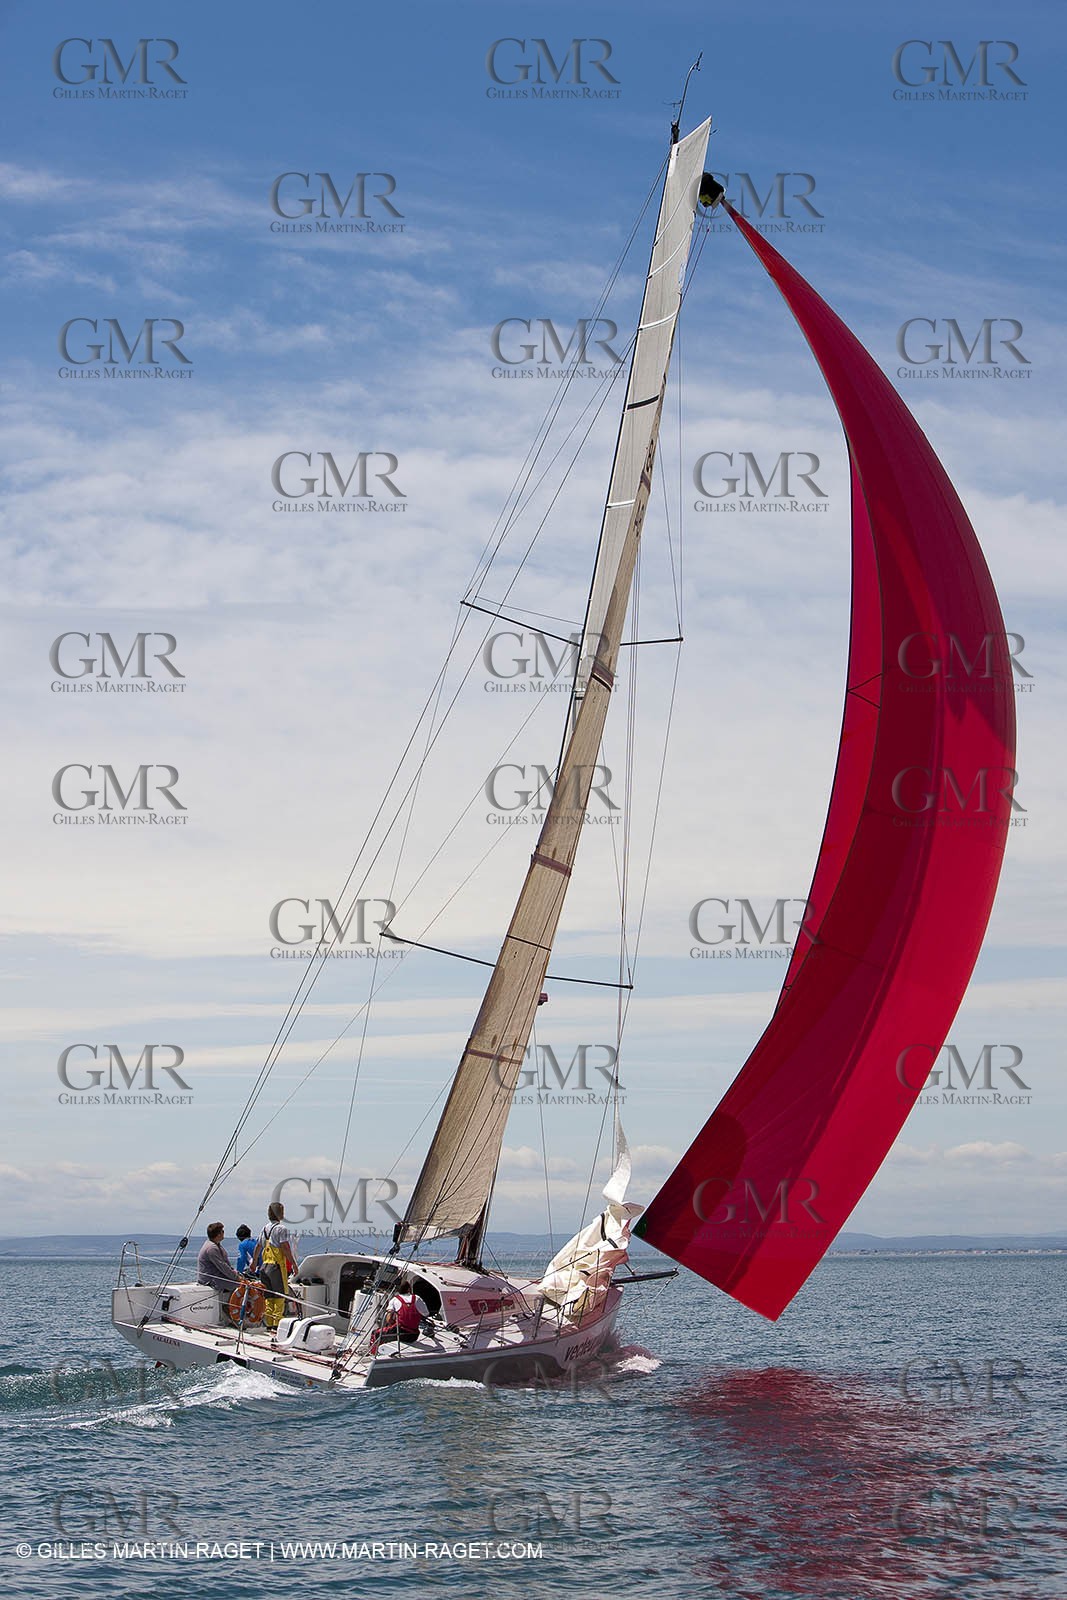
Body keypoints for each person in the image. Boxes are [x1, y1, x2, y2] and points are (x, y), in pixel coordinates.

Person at [250, 1201, 299, 1332]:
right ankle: (277, 1324)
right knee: (279, 1296)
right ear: (280, 1214)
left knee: (269, 1296)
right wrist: (294, 1264)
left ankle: (269, 1323)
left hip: (264, 1266)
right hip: (276, 1267)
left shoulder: (265, 1229)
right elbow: (285, 1247)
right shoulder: (281, 1229)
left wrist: (254, 1262)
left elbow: (258, 1246)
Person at [382, 1278, 430, 1346]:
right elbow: (426, 1313)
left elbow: (389, 1319)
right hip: (413, 1336)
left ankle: (374, 1350)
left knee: (376, 1333)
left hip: (399, 1333)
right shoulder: (417, 1298)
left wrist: (392, 1324)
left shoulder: (394, 1300)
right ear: (409, 1289)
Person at [196, 1223, 238, 1293]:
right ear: (218, 1234)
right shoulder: (211, 1248)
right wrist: (237, 1277)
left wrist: (236, 1273)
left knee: (245, 1283)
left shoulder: (216, 1245)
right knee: (243, 1286)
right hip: (210, 1280)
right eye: (222, 1231)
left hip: (218, 1277)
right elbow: (223, 1266)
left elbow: (226, 1265)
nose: (224, 1233)